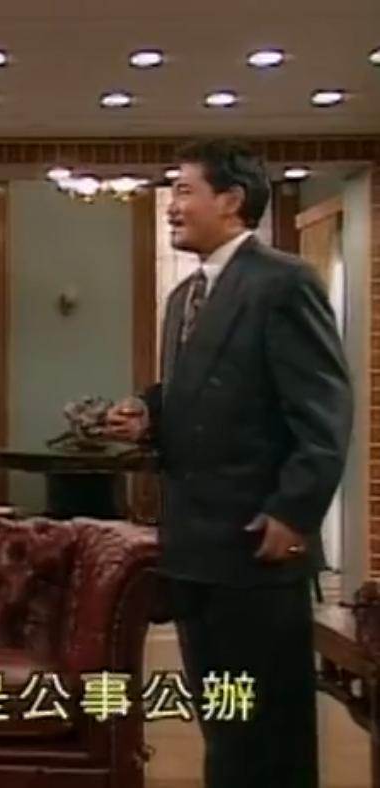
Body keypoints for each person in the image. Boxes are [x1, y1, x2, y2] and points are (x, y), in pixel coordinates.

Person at [105, 138, 352, 788]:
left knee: (267, 731)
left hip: (257, 548)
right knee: (224, 721)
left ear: (231, 200)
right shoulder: (183, 297)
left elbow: (323, 412)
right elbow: (198, 393)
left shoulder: (282, 283)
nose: (170, 206)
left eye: (184, 190)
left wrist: (293, 514)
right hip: (196, 548)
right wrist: (148, 411)